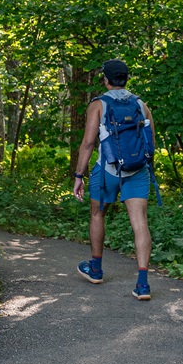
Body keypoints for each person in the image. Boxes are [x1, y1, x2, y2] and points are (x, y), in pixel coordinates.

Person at [72, 59, 156, 300]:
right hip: (138, 170)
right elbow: (151, 142)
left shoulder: (98, 104)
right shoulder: (141, 104)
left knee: (98, 214)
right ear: (126, 79)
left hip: (107, 170)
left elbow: (88, 143)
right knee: (140, 223)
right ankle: (142, 285)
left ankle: (96, 269)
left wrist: (79, 175)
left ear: (106, 79)